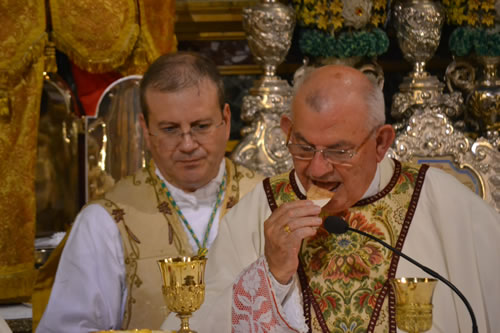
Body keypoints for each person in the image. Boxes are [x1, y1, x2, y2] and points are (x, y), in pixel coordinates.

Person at [163, 65, 500, 332]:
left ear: (382, 142)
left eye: (339, 150)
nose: (318, 168)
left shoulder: (449, 208)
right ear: (287, 132)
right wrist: (271, 274)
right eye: (304, 147)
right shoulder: (257, 212)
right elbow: (195, 325)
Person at [36, 52, 263, 332]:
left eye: (201, 126)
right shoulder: (104, 221)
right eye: (170, 129)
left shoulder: (268, 202)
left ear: (226, 120)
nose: (188, 144)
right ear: (145, 129)